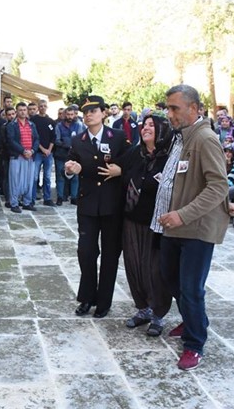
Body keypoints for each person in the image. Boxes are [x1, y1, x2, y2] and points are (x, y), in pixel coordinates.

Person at [149, 84, 229, 371]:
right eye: (168, 108)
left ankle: (195, 344)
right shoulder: (181, 137)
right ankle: (195, 320)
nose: (169, 114)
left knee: (191, 288)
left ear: (194, 108)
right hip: (173, 226)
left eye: (175, 108)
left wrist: (183, 215)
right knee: (171, 279)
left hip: (195, 228)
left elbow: (218, 185)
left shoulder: (205, 139)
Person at [99, 114, 173, 336]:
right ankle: (143, 308)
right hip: (131, 220)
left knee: (154, 270)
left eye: (152, 125)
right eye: (144, 125)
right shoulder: (135, 153)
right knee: (134, 266)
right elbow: (117, 166)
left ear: (162, 131)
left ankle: (158, 314)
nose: (146, 128)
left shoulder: (170, 157)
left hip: (156, 223)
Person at [64, 95, 130, 319]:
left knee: (110, 254)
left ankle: (104, 301)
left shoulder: (117, 137)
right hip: (88, 204)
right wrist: (70, 168)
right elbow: (71, 163)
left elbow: (132, 161)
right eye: (86, 112)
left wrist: (120, 170)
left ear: (104, 113)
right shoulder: (78, 140)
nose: (89, 115)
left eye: (93, 110)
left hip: (112, 204)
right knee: (86, 252)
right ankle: (87, 297)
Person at [6, 102, 39, 213]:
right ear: (16, 112)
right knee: (15, 181)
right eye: (20, 110)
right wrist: (23, 151)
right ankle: (14, 203)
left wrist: (32, 151)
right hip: (17, 156)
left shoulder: (32, 124)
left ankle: (27, 203)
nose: (23, 112)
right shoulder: (12, 125)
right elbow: (11, 140)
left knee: (29, 181)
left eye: (24, 110)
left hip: (30, 156)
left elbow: (37, 139)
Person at [54, 105, 83, 206]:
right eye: (68, 114)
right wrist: (66, 145)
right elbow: (57, 140)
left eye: (71, 114)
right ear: (64, 115)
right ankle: (60, 197)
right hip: (61, 154)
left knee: (75, 176)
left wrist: (73, 146)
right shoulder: (59, 126)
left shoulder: (78, 125)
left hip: (74, 155)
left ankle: (74, 197)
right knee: (60, 176)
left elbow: (80, 139)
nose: (70, 116)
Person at [31, 99, 56, 206]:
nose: (43, 108)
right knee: (34, 177)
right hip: (37, 152)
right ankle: (31, 198)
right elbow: (33, 137)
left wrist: (49, 150)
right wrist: (42, 149)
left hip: (48, 154)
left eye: (44, 106)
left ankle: (47, 198)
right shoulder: (33, 120)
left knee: (47, 177)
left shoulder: (51, 121)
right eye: (41, 106)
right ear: (38, 107)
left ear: (47, 107)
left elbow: (53, 137)